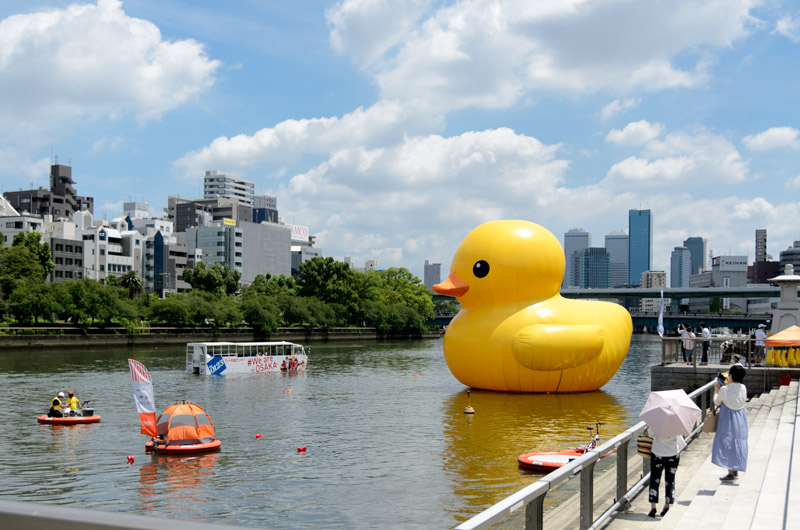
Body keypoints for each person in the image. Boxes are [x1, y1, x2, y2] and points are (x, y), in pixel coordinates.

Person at [712, 364, 748, 481]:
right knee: (737, 442)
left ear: (731, 375)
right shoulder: (743, 387)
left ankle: (730, 472)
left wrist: (716, 391)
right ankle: (735, 468)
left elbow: (717, 402)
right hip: (740, 418)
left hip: (727, 418)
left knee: (727, 442)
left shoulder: (724, 389)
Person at [648, 431, 686, 517]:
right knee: (670, 480)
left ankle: (653, 506)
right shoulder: (676, 420)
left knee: (654, 479)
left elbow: (650, 433)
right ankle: (667, 505)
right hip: (673, 453)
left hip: (658, 453)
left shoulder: (657, 420)